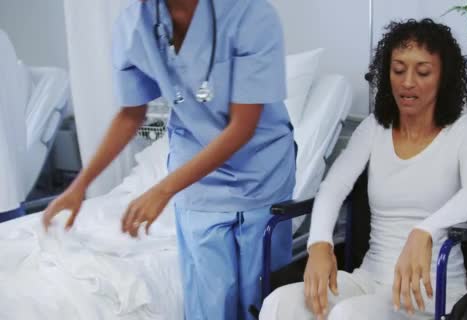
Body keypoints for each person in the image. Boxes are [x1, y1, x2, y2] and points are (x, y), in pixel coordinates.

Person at [41, 0, 295, 319]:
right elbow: (130, 115)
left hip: (261, 168)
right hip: (197, 178)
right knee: (209, 304)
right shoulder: (135, 25)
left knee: (262, 301)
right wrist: (79, 186)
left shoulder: (250, 16)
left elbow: (242, 127)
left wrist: (162, 190)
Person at [259, 18, 467, 320]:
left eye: (422, 71)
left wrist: (424, 231)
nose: (407, 82)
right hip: (367, 281)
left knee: (348, 315)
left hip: (429, 291)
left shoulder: (463, 129)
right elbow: (333, 187)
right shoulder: (375, 128)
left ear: (443, 78)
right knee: (279, 303)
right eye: (398, 69)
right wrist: (319, 243)